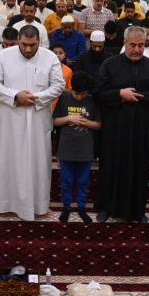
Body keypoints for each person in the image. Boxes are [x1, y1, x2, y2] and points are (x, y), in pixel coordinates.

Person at [0, 25, 65, 221]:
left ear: (40, 41)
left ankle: (39, 205)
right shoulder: (4, 56)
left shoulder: (50, 57)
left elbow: (59, 85)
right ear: (18, 40)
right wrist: (15, 96)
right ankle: (3, 204)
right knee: (6, 159)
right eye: (24, 44)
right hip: (9, 118)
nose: (28, 49)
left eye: (33, 45)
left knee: (38, 161)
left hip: (37, 118)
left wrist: (35, 98)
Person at [95, 26, 149, 223]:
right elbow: (99, 93)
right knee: (111, 165)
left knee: (139, 167)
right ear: (125, 43)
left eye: (141, 45)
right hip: (114, 127)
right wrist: (119, 94)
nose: (136, 50)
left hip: (140, 127)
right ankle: (107, 207)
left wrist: (135, 95)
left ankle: (137, 211)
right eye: (132, 45)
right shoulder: (110, 64)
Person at [52, 71, 101, 224]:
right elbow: (55, 121)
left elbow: (98, 124)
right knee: (66, 180)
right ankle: (66, 207)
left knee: (83, 181)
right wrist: (69, 118)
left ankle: (81, 207)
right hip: (66, 148)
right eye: (77, 94)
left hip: (85, 148)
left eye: (83, 94)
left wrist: (86, 122)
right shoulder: (64, 99)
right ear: (71, 88)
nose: (80, 97)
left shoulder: (92, 101)